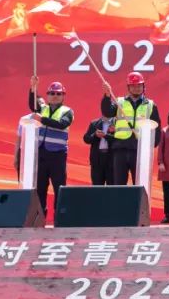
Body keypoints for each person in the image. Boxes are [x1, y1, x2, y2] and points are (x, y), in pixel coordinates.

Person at [101, 72, 161, 185]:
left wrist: (151, 145)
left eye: (139, 85)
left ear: (143, 86)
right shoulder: (120, 102)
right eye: (133, 86)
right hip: (120, 148)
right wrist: (107, 96)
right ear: (128, 87)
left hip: (139, 149)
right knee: (119, 184)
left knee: (139, 184)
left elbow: (156, 127)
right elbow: (107, 112)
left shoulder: (150, 105)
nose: (136, 88)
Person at [28, 77, 74, 220]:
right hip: (42, 154)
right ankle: (40, 219)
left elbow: (61, 124)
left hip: (57, 155)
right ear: (47, 95)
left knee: (59, 188)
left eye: (58, 94)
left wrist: (42, 119)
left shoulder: (68, 111)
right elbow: (33, 103)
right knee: (40, 188)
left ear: (63, 96)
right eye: (52, 93)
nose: (55, 96)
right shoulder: (43, 108)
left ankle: (60, 218)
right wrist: (33, 88)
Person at [82, 115, 115, 185]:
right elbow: (86, 139)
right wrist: (95, 135)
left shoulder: (117, 123)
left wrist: (107, 135)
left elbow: (119, 140)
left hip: (111, 160)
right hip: (97, 159)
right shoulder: (94, 123)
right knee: (97, 186)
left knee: (112, 187)